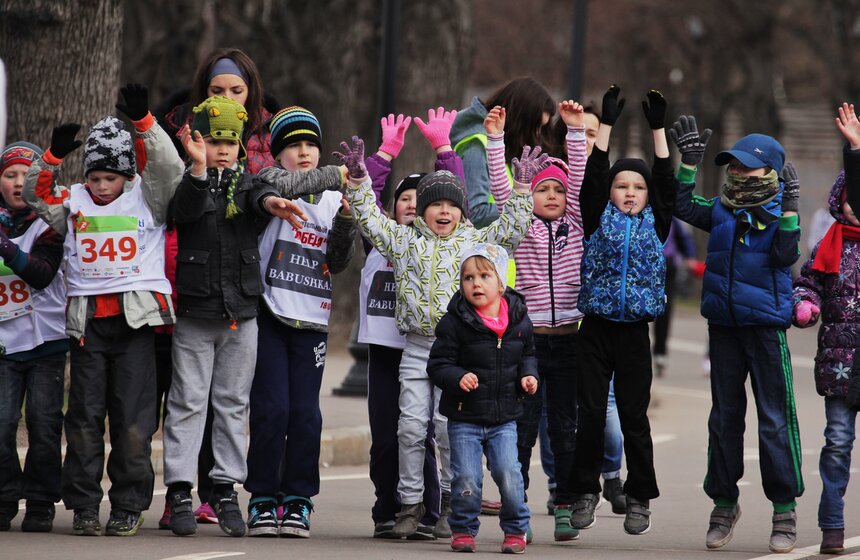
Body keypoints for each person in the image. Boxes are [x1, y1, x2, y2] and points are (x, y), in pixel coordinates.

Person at [339, 127, 535, 539]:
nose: (443, 211)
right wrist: (358, 180)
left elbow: (510, 233)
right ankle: (410, 504)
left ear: (461, 211)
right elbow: (371, 220)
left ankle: (449, 501)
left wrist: (521, 191)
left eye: (451, 205)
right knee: (410, 427)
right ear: (422, 210)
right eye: (435, 205)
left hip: (459, 351)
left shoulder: (475, 243)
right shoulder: (404, 240)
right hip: (415, 349)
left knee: (447, 430)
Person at [22, 84, 184, 537]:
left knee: (134, 424)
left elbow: (170, 168)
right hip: (88, 329)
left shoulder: (148, 199)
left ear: (127, 176)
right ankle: (85, 505)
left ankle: (129, 504)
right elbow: (37, 197)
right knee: (85, 421)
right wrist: (51, 159)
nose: (100, 186)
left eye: (109, 178)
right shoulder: (73, 202)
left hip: (135, 328)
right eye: (93, 178)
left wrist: (144, 125)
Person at [154, 47, 279, 525]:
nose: (222, 150)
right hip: (194, 313)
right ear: (198, 142)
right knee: (186, 402)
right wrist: (198, 169)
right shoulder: (192, 182)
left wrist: (275, 205)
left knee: (231, 403)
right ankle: (181, 489)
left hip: (241, 314)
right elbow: (180, 213)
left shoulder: (248, 184)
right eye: (212, 142)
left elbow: (265, 196)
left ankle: (225, 488)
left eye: (231, 143)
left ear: (244, 143)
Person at [671, 115, 804, 553]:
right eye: (734, 166)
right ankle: (724, 504)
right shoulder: (723, 208)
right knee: (725, 420)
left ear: (770, 171)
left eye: (748, 167)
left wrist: (789, 212)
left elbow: (785, 256)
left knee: (773, 420)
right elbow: (683, 208)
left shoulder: (779, 209)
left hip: (765, 329)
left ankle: (784, 510)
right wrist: (688, 166)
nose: (738, 173)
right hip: (723, 326)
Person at [244, 106, 357, 539]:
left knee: (305, 415)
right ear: (278, 153)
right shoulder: (270, 182)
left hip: (312, 322)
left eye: (311, 144)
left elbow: (338, 261)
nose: (305, 152)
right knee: (271, 410)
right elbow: (291, 186)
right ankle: (261, 498)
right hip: (271, 313)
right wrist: (335, 174)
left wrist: (345, 223)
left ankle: (297, 500)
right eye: (294, 145)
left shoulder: (331, 198)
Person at [569, 86, 673, 537]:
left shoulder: (658, 221)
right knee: (590, 413)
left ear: (647, 195)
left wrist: (657, 130)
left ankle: (640, 498)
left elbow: (667, 178)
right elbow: (592, 175)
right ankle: (585, 492)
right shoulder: (596, 216)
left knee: (633, 416)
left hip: (633, 334)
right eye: (622, 185)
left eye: (637, 187)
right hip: (594, 329)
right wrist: (606, 125)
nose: (629, 192)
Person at [361, 111, 467, 540]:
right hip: (396, 350)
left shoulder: (453, 238)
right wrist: (382, 156)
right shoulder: (391, 237)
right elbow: (363, 203)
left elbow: (455, 198)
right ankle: (399, 507)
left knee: (441, 431)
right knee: (400, 432)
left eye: (418, 198)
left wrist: (446, 151)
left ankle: (443, 508)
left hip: (444, 349)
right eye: (405, 198)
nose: (413, 204)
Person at [485, 100, 586, 542]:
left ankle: (564, 502)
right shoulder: (521, 222)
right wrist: (494, 140)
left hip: (567, 341)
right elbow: (506, 194)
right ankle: (517, 507)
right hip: (525, 342)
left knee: (564, 428)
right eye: (543, 189)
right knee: (522, 429)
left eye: (557, 191)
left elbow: (580, 183)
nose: (551, 196)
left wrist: (576, 133)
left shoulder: (579, 222)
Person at [428, 243, 537, 554]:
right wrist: (457, 376)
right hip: (465, 417)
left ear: (501, 282)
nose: (476, 283)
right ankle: (463, 528)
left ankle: (516, 528)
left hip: (505, 418)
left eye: (484, 276)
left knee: (509, 473)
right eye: (468, 278)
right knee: (466, 477)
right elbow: (437, 365)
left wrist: (529, 377)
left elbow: (527, 355)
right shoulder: (455, 322)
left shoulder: (518, 320)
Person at [551, 103, 627, 515]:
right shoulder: (554, 190)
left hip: (596, 319)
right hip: (554, 324)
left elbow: (586, 179)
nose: (585, 136)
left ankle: (612, 474)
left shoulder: (608, 194)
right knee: (560, 416)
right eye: (578, 133)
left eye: (593, 132)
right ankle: (563, 487)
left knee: (607, 410)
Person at [793, 102, 860, 555]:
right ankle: (831, 525)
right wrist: (806, 304)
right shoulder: (828, 244)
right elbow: (806, 282)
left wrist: (857, 147)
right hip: (840, 364)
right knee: (837, 443)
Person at [0, 142, 66, 533]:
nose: (17, 183)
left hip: (46, 342)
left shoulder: (50, 223)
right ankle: (6, 494)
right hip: (5, 345)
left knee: (43, 423)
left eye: (25, 176)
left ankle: (41, 500)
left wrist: (6, 247)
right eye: (9, 175)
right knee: (2, 422)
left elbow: (41, 273)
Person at [451, 77, 555, 229]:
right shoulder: (477, 147)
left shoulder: (505, 149)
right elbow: (475, 213)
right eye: (535, 126)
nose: (538, 134)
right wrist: (528, 206)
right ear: (519, 119)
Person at [156, 47, 279, 175]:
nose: (227, 98)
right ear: (205, 92)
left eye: (237, 91)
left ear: (250, 91)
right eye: (217, 91)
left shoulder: (273, 130)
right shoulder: (178, 127)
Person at [652, 217, 698, 377]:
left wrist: (690, 256)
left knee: (664, 310)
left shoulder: (670, 217)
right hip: (644, 268)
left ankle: (660, 353)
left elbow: (684, 237)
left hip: (667, 267)